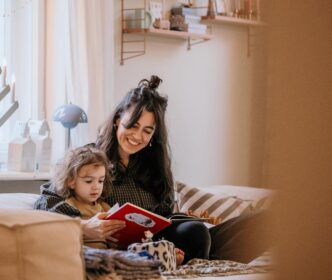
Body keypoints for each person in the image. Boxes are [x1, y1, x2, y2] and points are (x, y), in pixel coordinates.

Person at [36, 75, 270, 263]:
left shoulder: (155, 165)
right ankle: (206, 259)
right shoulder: (89, 159)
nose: (138, 136)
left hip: (166, 238)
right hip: (134, 247)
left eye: (147, 131)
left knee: (264, 222)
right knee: (197, 234)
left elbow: (166, 214)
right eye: (133, 125)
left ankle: (201, 257)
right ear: (118, 119)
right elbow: (45, 204)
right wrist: (86, 227)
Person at [34, 145, 125, 249]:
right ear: (71, 181)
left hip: (107, 255)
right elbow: (55, 229)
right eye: (89, 181)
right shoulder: (67, 205)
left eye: (100, 181)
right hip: (81, 254)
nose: (96, 187)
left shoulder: (104, 207)